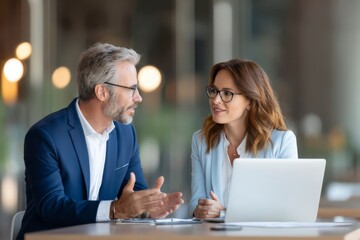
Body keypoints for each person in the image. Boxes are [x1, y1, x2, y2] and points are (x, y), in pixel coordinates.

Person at [17, 42, 184, 240]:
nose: (138, 97)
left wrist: (148, 208)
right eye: (132, 89)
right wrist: (114, 209)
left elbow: (135, 194)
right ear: (102, 92)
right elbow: (52, 207)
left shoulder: (126, 134)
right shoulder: (45, 136)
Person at [190, 58, 298, 219]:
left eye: (227, 93)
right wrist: (200, 210)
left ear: (250, 101)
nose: (215, 100)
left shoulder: (282, 142)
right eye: (214, 91)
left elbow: (285, 209)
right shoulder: (201, 140)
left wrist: (224, 213)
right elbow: (195, 202)